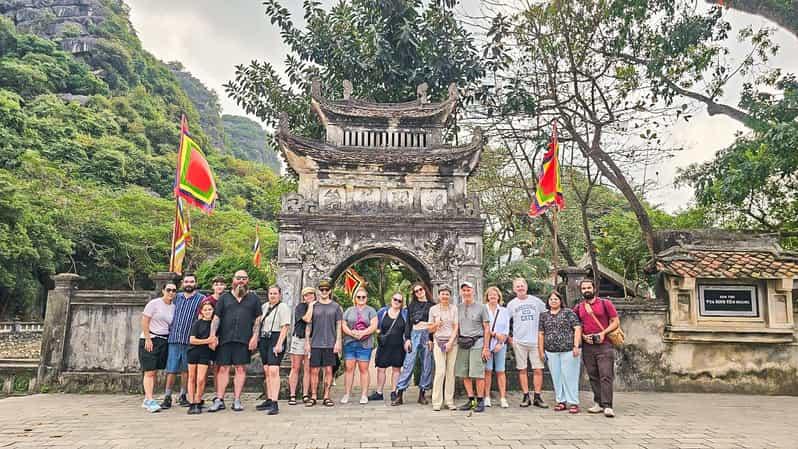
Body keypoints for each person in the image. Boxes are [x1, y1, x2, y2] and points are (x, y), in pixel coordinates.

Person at [208, 270, 261, 412]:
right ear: (233, 280)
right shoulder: (224, 298)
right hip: (225, 339)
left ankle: (237, 399)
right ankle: (219, 399)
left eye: (244, 278)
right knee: (223, 368)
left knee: (240, 368)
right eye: (238, 278)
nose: (241, 281)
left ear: (248, 280)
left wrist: (255, 337)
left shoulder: (253, 299)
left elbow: (257, 319)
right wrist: (212, 336)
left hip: (244, 339)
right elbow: (216, 318)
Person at [572, 279, 620, 418]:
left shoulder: (605, 303)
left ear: (594, 289)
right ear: (581, 291)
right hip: (588, 346)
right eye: (583, 288)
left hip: (604, 345)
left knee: (606, 375)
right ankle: (598, 402)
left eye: (588, 287)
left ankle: (608, 405)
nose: (586, 290)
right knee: (593, 376)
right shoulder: (579, 307)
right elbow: (574, 324)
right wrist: (582, 337)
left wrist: (603, 333)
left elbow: (615, 321)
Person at [163, 273, 206, 409]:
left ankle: (183, 395)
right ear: (182, 283)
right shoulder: (177, 297)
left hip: (190, 340)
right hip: (174, 338)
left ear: (195, 283)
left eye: (191, 281)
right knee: (171, 369)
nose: (189, 284)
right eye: (186, 281)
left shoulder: (201, 299)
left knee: (186, 370)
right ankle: (167, 396)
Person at [506, 277, 548, 408]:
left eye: (522, 285)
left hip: (535, 341)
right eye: (517, 286)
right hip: (519, 341)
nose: (520, 288)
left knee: (538, 369)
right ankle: (525, 396)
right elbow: (505, 321)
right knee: (522, 369)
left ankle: (537, 396)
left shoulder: (536, 301)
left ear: (526, 287)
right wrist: (509, 337)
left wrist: (544, 334)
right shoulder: (512, 304)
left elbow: (546, 316)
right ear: (514, 289)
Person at [539, 291, 582, 414]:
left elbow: (577, 328)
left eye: (556, 299)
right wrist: (541, 351)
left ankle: (573, 402)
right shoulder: (544, 316)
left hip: (568, 349)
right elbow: (541, 334)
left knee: (570, 376)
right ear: (548, 302)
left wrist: (576, 345)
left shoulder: (568, 312)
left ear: (560, 300)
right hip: (551, 351)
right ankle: (561, 400)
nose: (553, 301)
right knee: (556, 376)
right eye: (551, 299)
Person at [391, 282, 434, 406]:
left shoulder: (432, 306)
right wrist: (408, 339)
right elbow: (408, 324)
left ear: (425, 289)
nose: (419, 292)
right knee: (409, 363)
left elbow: (434, 324)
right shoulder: (411, 306)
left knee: (427, 364)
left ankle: (422, 393)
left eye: (420, 289)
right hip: (414, 334)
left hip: (427, 335)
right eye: (416, 291)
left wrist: (431, 339)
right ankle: (400, 394)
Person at [303, 278, 343, 407]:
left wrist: (338, 342)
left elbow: (339, 325)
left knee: (329, 370)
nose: (324, 291)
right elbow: (308, 323)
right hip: (315, 343)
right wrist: (307, 342)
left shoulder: (335, 307)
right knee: (314, 371)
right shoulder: (314, 305)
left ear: (330, 291)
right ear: (319, 291)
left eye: (326, 289)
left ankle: (326, 396)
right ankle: (314, 396)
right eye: (322, 290)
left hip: (330, 343)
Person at [139, 283, 176, 413]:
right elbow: (145, 321)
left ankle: (147, 398)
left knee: (154, 371)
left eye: (173, 290)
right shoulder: (154, 303)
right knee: (149, 370)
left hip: (164, 340)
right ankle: (149, 399)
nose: (171, 292)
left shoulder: (173, 307)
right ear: (163, 290)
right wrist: (148, 339)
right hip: (151, 338)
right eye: (168, 290)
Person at [454, 281, 491, 413]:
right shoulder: (457, 307)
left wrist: (486, 347)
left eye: (468, 290)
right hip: (463, 343)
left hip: (478, 342)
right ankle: (471, 399)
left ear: (473, 291)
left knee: (478, 373)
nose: (466, 292)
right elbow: (456, 326)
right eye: (464, 290)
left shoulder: (481, 308)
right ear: (461, 292)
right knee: (464, 373)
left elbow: (487, 328)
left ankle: (480, 400)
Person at [255, 285, 291, 415]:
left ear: (280, 295)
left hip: (276, 337)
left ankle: (275, 402)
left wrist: (279, 344)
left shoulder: (283, 308)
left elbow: (285, 327)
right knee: (267, 370)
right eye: (271, 293)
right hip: (264, 338)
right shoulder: (264, 307)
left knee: (274, 370)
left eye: (275, 293)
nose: (273, 296)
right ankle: (269, 398)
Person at [340, 287, 378, 405]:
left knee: (363, 369)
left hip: (365, 343)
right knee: (349, 369)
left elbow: (374, 325)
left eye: (363, 297)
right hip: (350, 342)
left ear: (366, 298)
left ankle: (364, 395)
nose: (361, 299)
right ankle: (347, 394)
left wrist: (362, 333)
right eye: (359, 297)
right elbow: (343, 324)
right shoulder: (349, 310)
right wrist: (351, 333)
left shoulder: (371, 310)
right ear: (355, 298)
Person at [370, 292, 409, 403]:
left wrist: (407, 340)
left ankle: (393, 392)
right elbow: (375, 325)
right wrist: (379, 333)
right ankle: (379, 392)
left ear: (402, 303)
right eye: (395, 299)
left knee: (396, 369)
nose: (396, 302)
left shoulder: (405, 314)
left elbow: (407, 328)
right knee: (381, 369)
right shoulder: (383, 312)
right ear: (391, 299)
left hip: (398, 345)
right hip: (384, 345)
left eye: (399, 301)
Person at [429, 285, 459, 411]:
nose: (445, 296)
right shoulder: (433, 309)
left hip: (452, 342)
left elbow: (456, 327)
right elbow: (430, 329)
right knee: (440, 372)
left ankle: (449, 400)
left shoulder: (454, 309)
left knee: (450, 372)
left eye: (447, 294)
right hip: (438, 342)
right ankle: (436, 402)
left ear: (450, 296)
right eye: (442, 294)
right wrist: (437, 324)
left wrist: (451, 342)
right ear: (439, 295)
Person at [186, 300, 217, 414]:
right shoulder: (197, 323)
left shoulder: (215, 324)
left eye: (209, 309)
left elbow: (214, 342)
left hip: (205, 353)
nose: (207, 312)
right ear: (201, 311)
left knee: (201, 379)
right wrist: (207, 341)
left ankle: (198, 400)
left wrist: (213, 342)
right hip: (193, 351)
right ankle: (191, 401)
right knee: (192, 377)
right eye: (205, 310)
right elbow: (192, 340)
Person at [287, 286, 315, 405]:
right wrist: (311, 306)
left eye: (311, 294)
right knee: (295, 367)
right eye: (306, 295)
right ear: (303, 297)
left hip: (312, 340)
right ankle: (292, 394)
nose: (309, 297)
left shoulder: (319, 307)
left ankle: (305, 394)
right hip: (299, 338)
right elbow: (307, 319)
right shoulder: (300, 307)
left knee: (308, 369)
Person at [483, 286, 510, 408]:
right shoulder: (484, 309)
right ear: (487, 297)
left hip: (500, 345)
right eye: (490, 294)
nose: (493, 296)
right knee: (487, 371)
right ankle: (487, 397)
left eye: (495, 294)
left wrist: (501, 343)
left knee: (500, 371)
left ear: (499, 296)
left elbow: (506, 330)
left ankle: (503, 398)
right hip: (487, 344)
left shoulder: (504, 311)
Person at [205, 276, 226, 402]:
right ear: (213, 286)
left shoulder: (227, 300)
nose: (219, 286)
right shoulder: (207, 301)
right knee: (206, 366)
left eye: (221, 284)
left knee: (219, 366)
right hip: (208, 336)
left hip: (223, 336)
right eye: (216, 284)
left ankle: (218, 394)